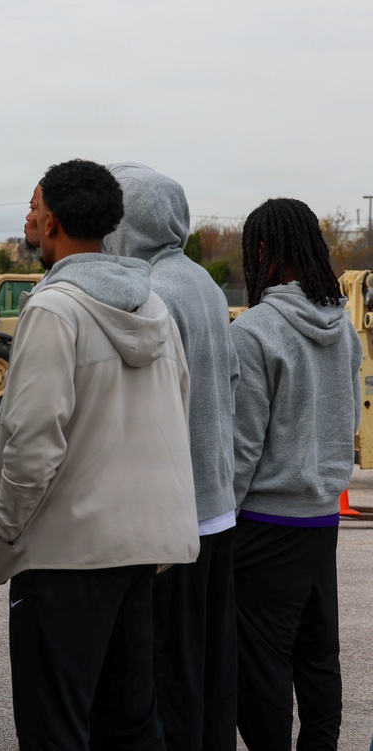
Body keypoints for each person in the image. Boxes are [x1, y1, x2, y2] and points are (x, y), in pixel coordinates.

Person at [0, 158, 200, 751]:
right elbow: (179, 408)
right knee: (129, 725)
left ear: (51, 221)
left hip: (63, 556)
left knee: (56, 728)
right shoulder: (154, 309)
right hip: (140, 551)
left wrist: (5, 535)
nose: (28, 216)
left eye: (32, 205)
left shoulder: (55, 310)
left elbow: (31, 441)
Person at [102, 163, 239, 751]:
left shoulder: (151, 291)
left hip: (173, 516)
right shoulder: (203, 283)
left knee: (167, 674)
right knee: (209, 666)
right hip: (217, 504)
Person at [231, 198, 361, 751]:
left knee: (260, 666)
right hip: (321, 518)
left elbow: (242, 447)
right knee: (316, 654)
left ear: (261, 250)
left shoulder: (255, 330)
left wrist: (217, 522)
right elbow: (351, 417)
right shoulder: (344, 327)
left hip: (262, 523)